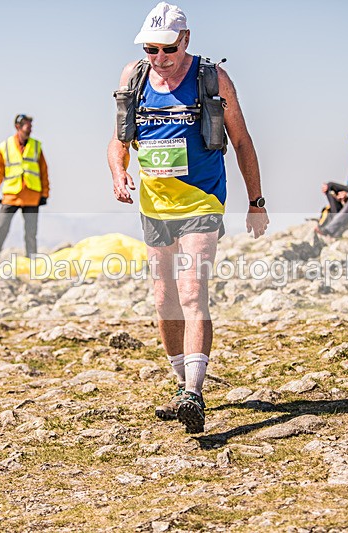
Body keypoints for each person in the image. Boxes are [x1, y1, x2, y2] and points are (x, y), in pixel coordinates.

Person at [107, 2, 269, 434]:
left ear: (185, 40)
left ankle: (195, 392)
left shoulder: (211, 78)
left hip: (202, 199)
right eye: (149, 49)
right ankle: (182, 388)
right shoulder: (134, 78)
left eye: (165, 49)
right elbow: (117, 141)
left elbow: (241, 140)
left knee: (192, 288)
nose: (157, 58)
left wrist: (256, 201)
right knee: (164, 297)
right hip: (155, 206)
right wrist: (119, 173)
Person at [0, 114, 49, 260]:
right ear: (18, 127)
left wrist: (45, 194)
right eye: (28, 126)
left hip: (32, 195)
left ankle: (32, 260)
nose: (30, 130)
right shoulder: (5, 146)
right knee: (1, 228)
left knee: (31, 232)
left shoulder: (36, 146)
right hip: (11, 195)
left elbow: (43, 171)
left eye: (31, 127)